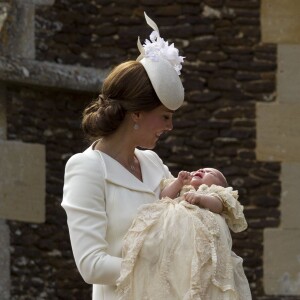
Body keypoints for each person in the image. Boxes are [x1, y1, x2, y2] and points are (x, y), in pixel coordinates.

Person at [61, 12, 185, 300]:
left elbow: (181, 220)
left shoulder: (153, 163)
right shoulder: (87, 168)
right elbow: (91, 264)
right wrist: (162, 267)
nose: (170, 126)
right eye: (164, 117)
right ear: (137, 115)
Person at [116, 167, 252, 299]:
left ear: (219, 185)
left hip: (196, 240)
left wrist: (200, 198)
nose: (202, 171)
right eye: (199, 169)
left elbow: (218, 205)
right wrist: (178, 182)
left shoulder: (213, 193)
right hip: (171, 237)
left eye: (211, 172)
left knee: (198, 272)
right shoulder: (181, 188)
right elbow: (163, 197)